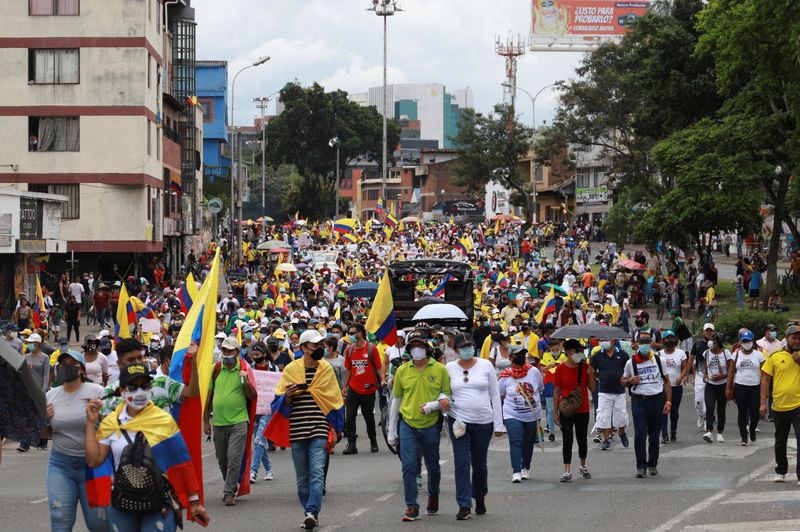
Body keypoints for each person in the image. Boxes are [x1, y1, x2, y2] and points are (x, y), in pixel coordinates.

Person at [85, 363, 209, 531]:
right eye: (133, 386)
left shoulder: (164, 421)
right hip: (122, 503)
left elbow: (182, 464)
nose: (140, 391)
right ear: (122, 390)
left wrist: (194, 501)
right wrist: (90, 423)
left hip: (159, 503)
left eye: (145, 385)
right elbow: (94, 461)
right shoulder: (110, 423)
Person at [265, 329, 344, 531]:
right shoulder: (291, 370)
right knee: (302, 478)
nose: (320, 348)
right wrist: (288, 395)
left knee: (317, 473)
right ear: (304, 348)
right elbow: (277, 401)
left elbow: (335, 401)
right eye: (315, 345)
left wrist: (335, 428)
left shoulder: (326, 370)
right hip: (297, 430)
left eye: (321, 345)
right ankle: (308, 510)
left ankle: (312, 512)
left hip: (318, 429)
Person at [387, 330, 452, 522]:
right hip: (407, 423)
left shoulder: (440, 369)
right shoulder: (402, 371)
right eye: (413, 346)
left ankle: (433, 494)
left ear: (427, 347)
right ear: (408, 349)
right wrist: (392, 430)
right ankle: (411, 506)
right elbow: (396, 400)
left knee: (433, 465)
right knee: (408, 465)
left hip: (431, 424)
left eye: (421, 345)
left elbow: (446, 395)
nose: (417, 349)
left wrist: (434, 405)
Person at [44, 350, 108, 531]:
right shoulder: (50, 396)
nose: (66, 367)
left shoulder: (97, 392)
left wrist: (99, 416)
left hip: (94, 466)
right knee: (60, 518)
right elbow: (44, 435)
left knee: (99, 523)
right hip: (60, 464)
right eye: (63, 364)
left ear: (82, 369)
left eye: (72, 364)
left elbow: (111, 427)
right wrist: (45, 419)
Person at [445, 334, 504, 520]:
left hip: (483, 422)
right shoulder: (449, 368)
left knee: (479, 464)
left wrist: (499, 423)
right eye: (462, 347)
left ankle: (479, 496)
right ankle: (464, 504)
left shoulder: (486, 365)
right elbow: (443, 391)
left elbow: (495, 395)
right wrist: (443, 400)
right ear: (455, 351)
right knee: (461, 464)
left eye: (469, 346)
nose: (466, 350)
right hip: (458, 421)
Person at [203, 336, 257, 506]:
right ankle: (231, 484)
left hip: (239, 421)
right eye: (224, 350)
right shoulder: (216, 368)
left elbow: (253, 396)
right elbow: (209, 396)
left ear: (237, 352)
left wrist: (246, 381)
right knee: (222, 459)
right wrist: (205, 421)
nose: (226, 354)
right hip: (218, 422)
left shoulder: (244, 369)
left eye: (230, 351)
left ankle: (228, 493)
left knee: (234, 457)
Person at [622, 336, 672, 478]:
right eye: (641, 343)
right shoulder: (630, 363)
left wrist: (668, 401)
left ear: (650, 344)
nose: (644, 346)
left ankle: (652, 464)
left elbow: (667, 381)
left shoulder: (658, 360)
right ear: (637, 344)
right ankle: (641, 466)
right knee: (640, 433)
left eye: (646, 343)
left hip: (656, 400)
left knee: (654, 434)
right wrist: (630, 381)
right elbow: (623, 381)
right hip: (639, 400)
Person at [498, 344, 544, 483]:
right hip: (512, 414)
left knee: (528, 443)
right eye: (517, 355)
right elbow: (500, 394)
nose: (521, 357)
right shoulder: (505, 376)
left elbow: (540, 388)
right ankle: (516, 471)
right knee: (516, 441)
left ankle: (526, 468)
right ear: (510, 357)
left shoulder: (534, 371)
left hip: (531, 414)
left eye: (523, 354)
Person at [760, 324, 800, 482]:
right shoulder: (775, 356)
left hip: (798, 405)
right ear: (787, 339)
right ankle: (781, 470)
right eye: (794, 337)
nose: (797, 341)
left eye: (799, 338)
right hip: (779, 406)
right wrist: (763, 402)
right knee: (780, 441)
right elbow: (765, 380)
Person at [553, 339, 595, 482]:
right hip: (566, 409)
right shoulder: (560, 369)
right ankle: (567, 470)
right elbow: (557, 391)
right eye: (577, 351)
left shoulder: (586, 367)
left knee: (582, 438)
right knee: (567, 439)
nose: (580, 353)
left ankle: (583, 466)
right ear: (569, 352)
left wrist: (592, 375)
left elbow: (592, 388)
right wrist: (555, 412)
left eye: (581, 351)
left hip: (582, 408)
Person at [341, 323, 385, 455]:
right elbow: (349, 369)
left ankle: (373, 441)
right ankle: (352, 444)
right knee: (349, 417)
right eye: (349, 332)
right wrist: (345, 386)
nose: (350, 335)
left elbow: (378, 366)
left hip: (368, 389)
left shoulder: (371, 349)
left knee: (368, 417)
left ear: (360, 333)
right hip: (353, 388)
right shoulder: (349, 350)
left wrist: (382, 379)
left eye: (353, 332)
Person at [590, 338, 630, 450]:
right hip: (604, 391)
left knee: (620, 415)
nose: (604, 342)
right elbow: (591, 369)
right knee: (604, 416)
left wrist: (627, 379)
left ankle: (622, 433)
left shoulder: (622, 354)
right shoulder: (597, 355)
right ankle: (606, 440)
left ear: (614, 340)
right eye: (602, 339)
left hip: (619, 391)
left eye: (606, 339)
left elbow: (629, 368)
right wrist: (595, 378)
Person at [727, 330, 764, 446]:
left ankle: (752, 429)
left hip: (755, 387)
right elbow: (731, 372)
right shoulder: (736, 355)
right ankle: (743, 437)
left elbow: (765, 372)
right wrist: (728, 387)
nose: (746, 343)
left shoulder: (759, 355)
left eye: (748, 341)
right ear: (741, 342)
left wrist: (765, 388)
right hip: (740, 386)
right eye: (744, 341)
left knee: (755, 413)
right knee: (742, 412)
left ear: (752, 342)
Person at [250, 341, 276, 483]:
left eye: (257, 355)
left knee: (259, 439)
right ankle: (269, 469)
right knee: (260, 440)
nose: (255, 357)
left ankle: (253, 472)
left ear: (264, 354)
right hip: (255, 408)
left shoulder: (274, 369)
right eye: (253, 355)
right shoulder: (250, 369)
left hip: (268, 409)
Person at [657, 330, 688, 443]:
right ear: (663, 341)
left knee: (674, 411)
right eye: (667, 338)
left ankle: (673, 431)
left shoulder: (681, 353)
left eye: (672, 337)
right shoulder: (659, 354)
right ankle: (664, 434)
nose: (670, 340)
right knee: (663, 410)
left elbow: (685, 367)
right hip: (663, 387)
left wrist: (681, 376)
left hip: (676, 386)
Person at [703, 332, 731, 443]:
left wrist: (722, 376)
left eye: (713, 340)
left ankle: (720, 432)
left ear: (718, 342)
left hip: (722, 385)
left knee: (721, 409)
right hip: (710, 385)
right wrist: (705, 374)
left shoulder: (726, 353)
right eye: (710, 339)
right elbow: (706, 364)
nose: (710, 342)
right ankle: (709, 431)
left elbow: (731, 370)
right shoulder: (706, 353)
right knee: (709, 407)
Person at [690, 323, 716, 429]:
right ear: (703, 332)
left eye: (711, 331)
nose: (709, 332)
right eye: (707, 330)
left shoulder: (716, 344)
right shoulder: (697, 345)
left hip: (712, 376)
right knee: (698, 401)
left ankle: (707, 420)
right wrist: (689, 376)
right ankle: (701, 415)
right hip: (700, 375)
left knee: (709, 401)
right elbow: (691, 360)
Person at [540, 337, 565, 441]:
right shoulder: (546, 355)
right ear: (549, 348)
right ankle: (551, 431)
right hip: (549, 383)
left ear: (560, 347)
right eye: (553, 350)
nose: (555, 351)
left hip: (562, 384)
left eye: (557, 349)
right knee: (550, 409)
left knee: (563, 408)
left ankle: (563, 426)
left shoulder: (564, 355)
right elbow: (542, 370)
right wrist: (549, 366)